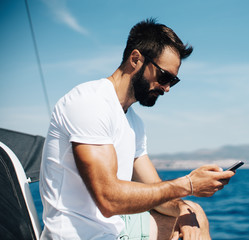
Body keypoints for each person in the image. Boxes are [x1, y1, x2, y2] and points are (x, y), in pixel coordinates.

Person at [39, 18, 235, 240]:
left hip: (116, 230)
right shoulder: (90, 103)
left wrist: (185, 207)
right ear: (135, 59)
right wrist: (188, 185)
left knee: (194, 214)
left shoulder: (134, 122)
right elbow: (108, 199)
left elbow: (155, 189)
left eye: (174, 81)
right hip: (79, 236)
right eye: (164, 77)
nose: (167, 88)